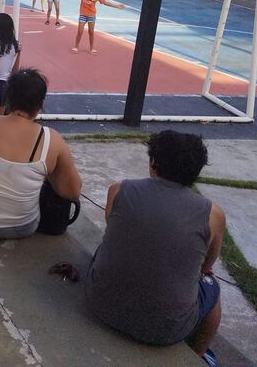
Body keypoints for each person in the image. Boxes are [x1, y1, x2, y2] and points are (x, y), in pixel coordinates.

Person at [85, 131, 225, 366]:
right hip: (167, 330)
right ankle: (198, 355)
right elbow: (206, 267)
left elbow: (115, 227)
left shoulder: (118, 190)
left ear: (153, 162)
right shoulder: (213, 215)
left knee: (105, 248)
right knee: (213, 290)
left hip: (101, 304)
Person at [0, 68, 82, 238]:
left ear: (8, 98)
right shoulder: (53, 140)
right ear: (40, 104)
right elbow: (72, 192)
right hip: (21, 228)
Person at [61, 0, 125, 53]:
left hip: (91, 15)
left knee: (91, 32)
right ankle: (76, 47)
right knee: (80, 31)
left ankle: (91, 48)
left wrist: (116, 6)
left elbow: (104, 2)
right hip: (83, 14)